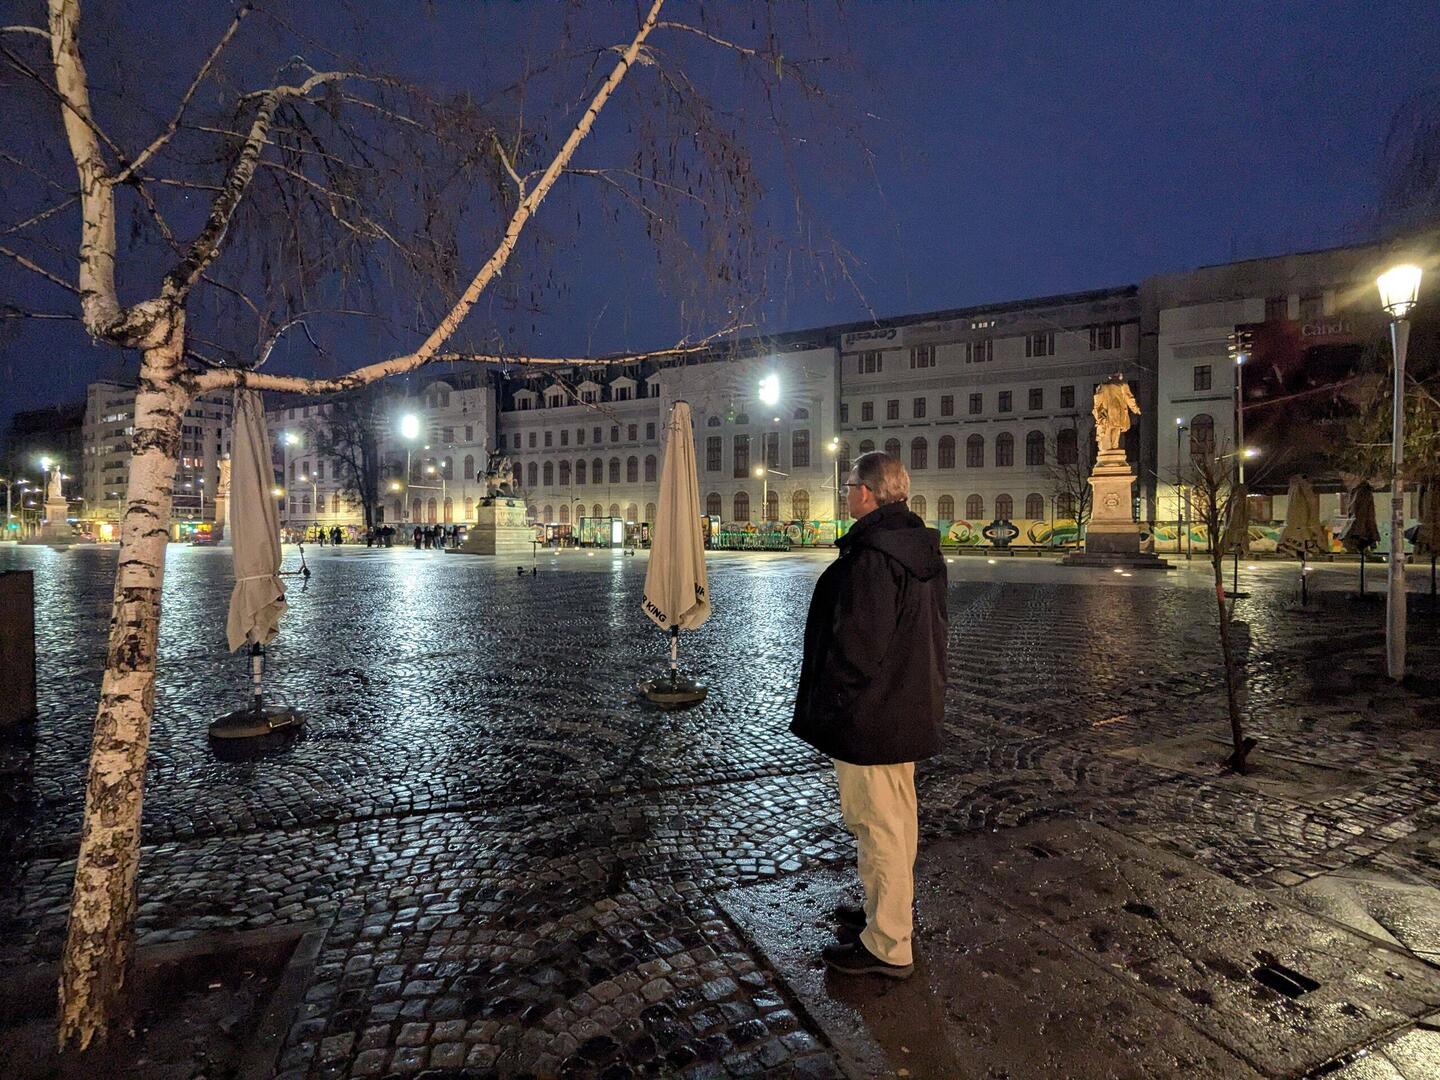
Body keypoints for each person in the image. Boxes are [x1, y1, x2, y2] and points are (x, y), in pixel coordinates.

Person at [791, 450, 947, 980]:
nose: (845, 493)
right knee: (896, 822)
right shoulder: (916, 547)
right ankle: (887, 915)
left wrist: (832, 708)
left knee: (876, 824)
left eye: (849, 485)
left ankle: (887, 943)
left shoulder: (874, 556)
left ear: (869, 492)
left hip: (871, 716)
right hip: (904, 707)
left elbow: (856, 648)